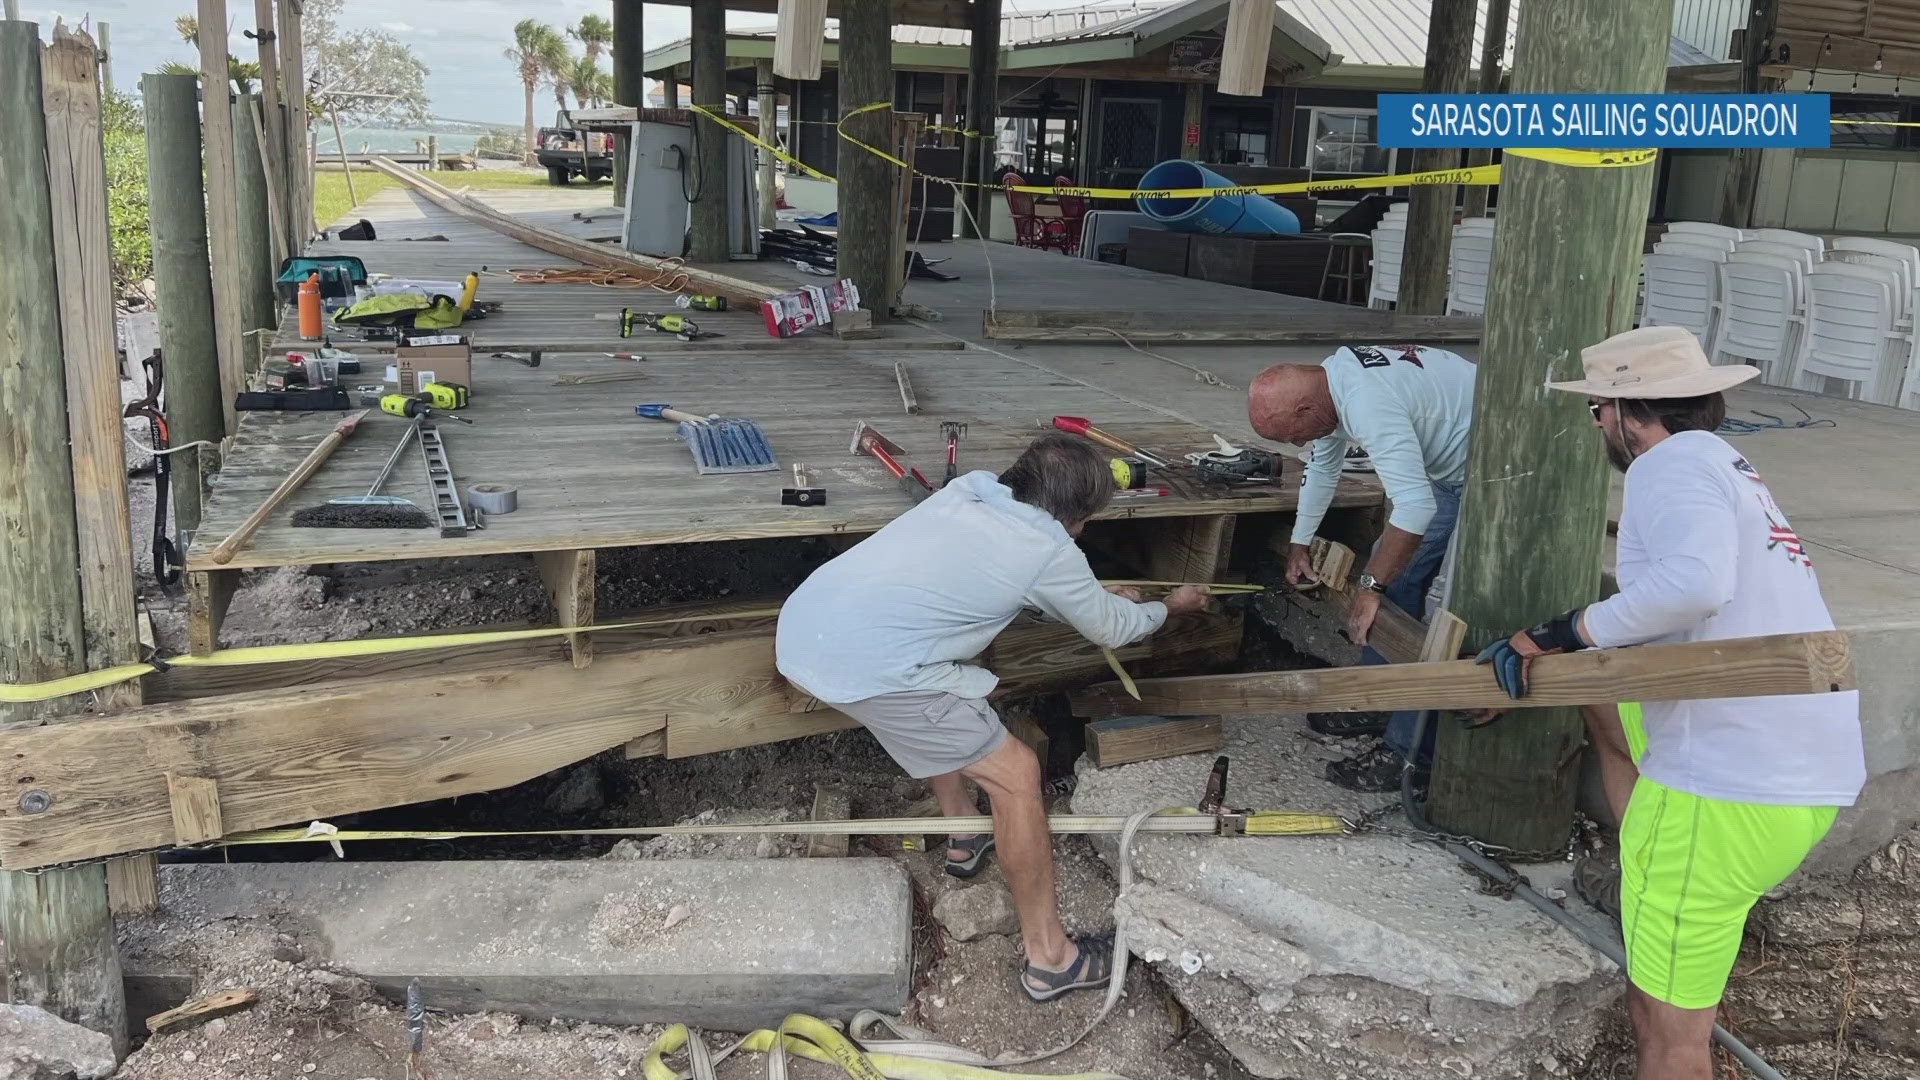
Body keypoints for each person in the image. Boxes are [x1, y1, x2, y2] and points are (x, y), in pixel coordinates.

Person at [1473, 326, 1865, 1080]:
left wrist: (1561, 630)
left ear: (1627, 412)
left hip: (1723, 794)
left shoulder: (1667, 467)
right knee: (1606, 704)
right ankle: (1638, 860)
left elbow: (1694, 584)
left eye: (1599, 409)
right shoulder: (1728, 464)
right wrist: (1579, 648)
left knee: (1667, 1033)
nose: (1595, 423)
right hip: (1794, 771)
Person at [775, 433, 1210, 1002]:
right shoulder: (1050, 550)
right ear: (1072, 516)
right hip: (867, 663)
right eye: (1082, 523)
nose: (1079, 534)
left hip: (809, 626)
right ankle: (1051, 959)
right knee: (1016, 773)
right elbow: (1111, 629)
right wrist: (1168, 606)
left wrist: (1091, 594)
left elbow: (996, 573)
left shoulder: (969, 491)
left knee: (948, 691)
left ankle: (963, 834)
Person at [1247, 345, 1476, 790]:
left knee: (1452, 609)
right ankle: (1379, 698)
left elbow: (1412, 509)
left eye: (1292, 434)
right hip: (1452, 474)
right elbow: (1323, 465)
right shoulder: (1333, 382)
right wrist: (1299, 541)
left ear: (1306, 406)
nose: (1297, 444)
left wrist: (1371, 587)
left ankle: (1410, 757)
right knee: (1397, 576)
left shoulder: (1366, 402)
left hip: (1499, 475)